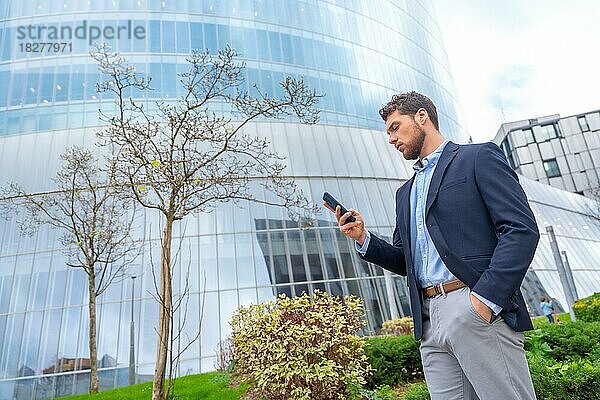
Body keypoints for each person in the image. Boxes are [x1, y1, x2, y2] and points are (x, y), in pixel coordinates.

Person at [325, 91, 540, 399]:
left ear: (422, 117)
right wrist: (363, 238)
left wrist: (484, 300)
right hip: (429, 322)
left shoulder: (477, 158)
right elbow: (406, 261)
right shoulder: (405, 193)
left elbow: (521, 229)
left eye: (395, 127)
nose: (390, 138)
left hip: (473, 306)